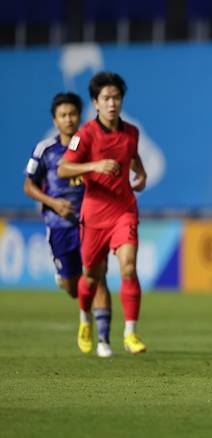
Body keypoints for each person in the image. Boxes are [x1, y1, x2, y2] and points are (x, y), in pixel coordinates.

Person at [58, 72, 148, 355]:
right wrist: (93, 166)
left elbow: (133, 155)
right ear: (95, 103)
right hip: (95, 214)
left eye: (116, 98)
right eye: (106, 98)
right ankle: (85, 319)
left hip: (124, 209)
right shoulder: (85, 134)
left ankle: (130, 333)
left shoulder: (131, 131)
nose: (112, 103)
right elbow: (63, 168)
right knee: (92, 278)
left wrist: (141, 172)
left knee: (129, 267)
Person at [24, 92, 114, 358]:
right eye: (63, 115)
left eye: (73, 114)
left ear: (80, 115)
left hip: (91, 222)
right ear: (55, 119)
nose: (69, 119)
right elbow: (28, 186)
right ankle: (73, 296)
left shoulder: (92, 147)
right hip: (59, 224)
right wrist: (53, 203)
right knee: (73, 287)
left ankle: (103, 340)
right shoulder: (45, 150)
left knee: (98, 277)